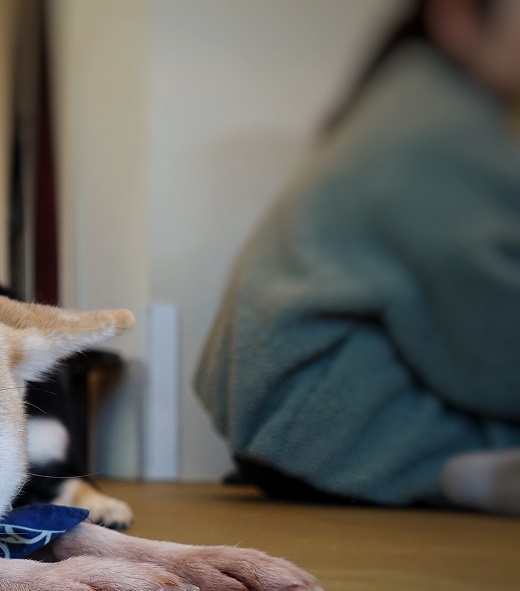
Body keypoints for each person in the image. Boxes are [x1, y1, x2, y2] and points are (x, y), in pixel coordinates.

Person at [195, 0, 520, 514]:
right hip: (339, 428)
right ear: (457, 17)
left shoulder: (414, 104)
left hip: (292, 421)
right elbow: (494, 349)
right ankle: (461, 469)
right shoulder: (441, 128)